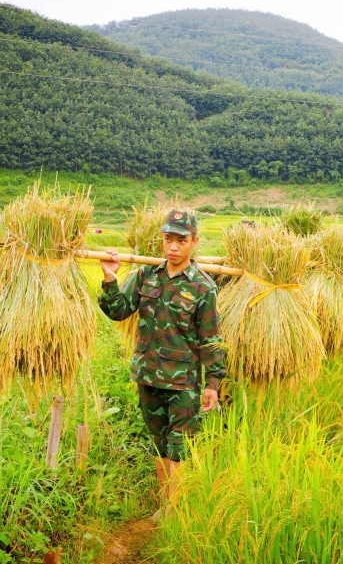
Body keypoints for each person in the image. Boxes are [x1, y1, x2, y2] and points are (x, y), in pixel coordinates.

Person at [97, 209, 224, 516]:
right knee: (159, 444)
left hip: (182, 383)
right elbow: (118, 310)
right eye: (168, 239)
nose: (173, 247)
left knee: (179, 448)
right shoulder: (146, 275)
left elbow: (210, 338)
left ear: (194, 241)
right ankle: (164, 504)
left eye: (181, 240)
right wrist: (110, 276)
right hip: (149, 376)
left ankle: (174, 509)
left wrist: (213, 384)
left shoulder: (202, 287)